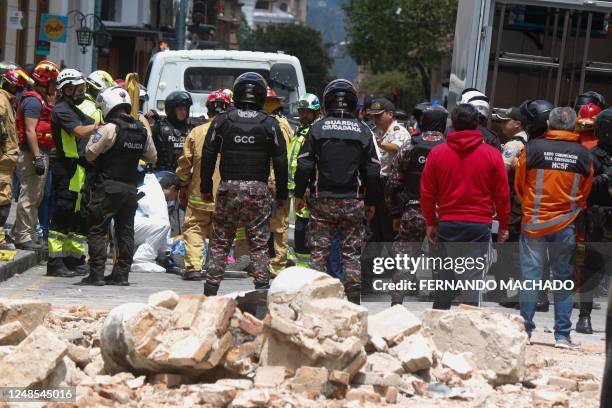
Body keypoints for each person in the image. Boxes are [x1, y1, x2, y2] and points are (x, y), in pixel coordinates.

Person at [294, 79, 381, 304]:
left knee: (318, 255)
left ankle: (313, 302)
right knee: (351, 255)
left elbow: (304, 165)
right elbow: (373, 169)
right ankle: (353, 304)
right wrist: (371, 201)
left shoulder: (318, 128)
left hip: (322, 201)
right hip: (353, 201)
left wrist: (298, 195)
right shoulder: (363, 130)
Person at [201, 72, 288, 295]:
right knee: (259, 244)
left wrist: (204, 186)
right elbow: (280, 160)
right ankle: (261, 291)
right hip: (257, 191)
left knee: (220, 241)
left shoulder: (222, 121)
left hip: (228, 188)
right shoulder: (270, 124)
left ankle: (211, 291)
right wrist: (282, 194)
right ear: (260, 96)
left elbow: (208, 154)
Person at [515, 107, 593, 349]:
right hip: (565, 225)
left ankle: (525, 331)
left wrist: (530, 208)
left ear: (548, 123)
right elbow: (584, 193)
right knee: (562, 281)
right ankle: (561, 336)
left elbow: (519, 185)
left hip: (533, 224)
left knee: (530, 279)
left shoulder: (533, 149)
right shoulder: (583, 155)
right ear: (574, 126)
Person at [420, 104, 510, 309]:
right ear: (477, 123)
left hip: (447, 223)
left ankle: (437, 329)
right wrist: (504, 225)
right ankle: (469, 333)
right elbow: (503, 194)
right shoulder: (492, 154)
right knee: (472, 279)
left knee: (445, 277)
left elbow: (427, 193)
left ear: (452, 124)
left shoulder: (437, 153)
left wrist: (429, 222)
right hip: (479, 226)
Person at [79, 86, 157, 285]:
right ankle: (122, 275)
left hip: (108, 187)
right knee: (125, 231)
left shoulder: (109, 128)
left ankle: (96, 274)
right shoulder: (142, 130)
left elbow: (89, 153)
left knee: (97, 229)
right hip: (130, 189)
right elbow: (152, 157)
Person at [385, 105, 447, 305]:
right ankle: (439, 306)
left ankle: (396, 304)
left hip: (412, 210)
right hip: (442, 214)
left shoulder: (410, 145)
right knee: (441, 262)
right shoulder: (450, 148)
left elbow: (393, 182)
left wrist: (395, 213)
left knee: (404, 261)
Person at [47, 68, 98, 277]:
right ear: (67, 89)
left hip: (76, 168)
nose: (82, 92)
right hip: (65, 168)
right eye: (78, 88)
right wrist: (99, 127)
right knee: (62, 214)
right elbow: (79, 131)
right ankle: (55, 262)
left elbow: (89, 120)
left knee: (76, 215)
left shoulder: (73, 108)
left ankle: (71, 259)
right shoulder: (62, 110)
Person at [176, 90, 229, 280]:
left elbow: (184, 164)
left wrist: (182, 182)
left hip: (199, 193)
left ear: (208, 109)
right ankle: (215, 268)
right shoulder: (233, 132)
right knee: (220, 232)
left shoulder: (196, 132)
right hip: (226, 195)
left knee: (194, 228)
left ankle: (194, 267)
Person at [13, 60, 59, 251]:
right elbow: (31, 131)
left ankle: (27, 233)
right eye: (53, 83)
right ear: (44, 82)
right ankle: (23, 236)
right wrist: (38, 157)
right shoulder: (33, 101)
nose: (55, 87)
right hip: (32, 155)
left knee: (36, 196)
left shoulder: (39, 99)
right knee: (30, 195)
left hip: (39, 153)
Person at [576, 108, 612, 334]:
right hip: (597, 219)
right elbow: (583, 187)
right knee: (592, 268)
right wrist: (604, 179)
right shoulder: (591, 155)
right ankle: (584, 316)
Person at [493, 107, 529, 307]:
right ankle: (504, 290)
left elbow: (501, 172)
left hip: (513, 204)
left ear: (518, 124)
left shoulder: (513, 144)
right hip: (522, 203)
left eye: (505, 121)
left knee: (508, 248)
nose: (501, 124)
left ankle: (504, 291)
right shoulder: (527, 141)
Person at [368, 97, 411, 245]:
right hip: (380, 184)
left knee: (389, 230)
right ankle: (374, 266)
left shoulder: (398, 131)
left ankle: (391, 266)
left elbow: (397, 147)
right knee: (375, 229)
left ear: (390, 114)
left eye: (379, 115)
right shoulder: (382, 132)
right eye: (373, 116)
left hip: (392, 185)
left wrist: (379, 144)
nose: (375, 119)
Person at [288, 93, 320, 267]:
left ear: (316, 113)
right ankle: (303, 263)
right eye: (301, 111)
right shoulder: (300, 131)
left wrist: (307, 185)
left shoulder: (314, 133)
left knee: (304, 227)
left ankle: (306, 264)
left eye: (307, 112)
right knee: (300, 225)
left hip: (306, 188)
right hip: (296, 187)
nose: (303, 115)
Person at [263, 87, 293, 276]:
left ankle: (277, 263)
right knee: (269, 224)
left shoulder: (279, 125)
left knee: (279, 225)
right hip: (270, 181)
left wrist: (273, 180)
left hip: (276, 182)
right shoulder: (272, 122)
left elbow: (281, 157)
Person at [0, 69, 19, 252]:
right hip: (2, 160)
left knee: (5, 199)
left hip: (6, 160)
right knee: (3, 200)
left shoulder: (8, 101)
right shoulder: (2, 101)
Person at [153, 91, 193, 172]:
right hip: (163, 173)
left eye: (185, 109)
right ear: (171, 110)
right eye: (180, 109)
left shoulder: (190, 129)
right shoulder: (160, 127)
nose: (183, 112)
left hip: (184, 174)